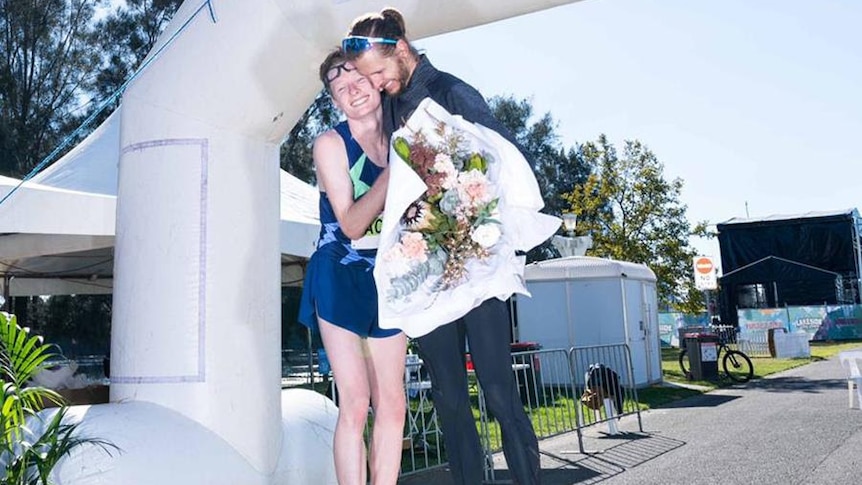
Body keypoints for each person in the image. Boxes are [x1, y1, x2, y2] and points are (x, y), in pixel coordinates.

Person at [343, 9, 541, 485]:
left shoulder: (452, 92)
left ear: (402, 50)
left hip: (474, 266)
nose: (375, 83)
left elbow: (507, 158)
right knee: (450, 400)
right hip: (426, 276)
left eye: (378, 71)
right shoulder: (388, 106)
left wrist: (473, 212)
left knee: (497, 394)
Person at [298, 48, 407, 485]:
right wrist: (394, 172)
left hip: (390, 277)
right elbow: (353, 223)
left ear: (375, 81)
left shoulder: (402, 137)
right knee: (357, 400)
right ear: (336, 102)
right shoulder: (329, 143)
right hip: (339, 276)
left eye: (357, 80)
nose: (353, 90)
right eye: (341, 89)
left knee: (393, 403)